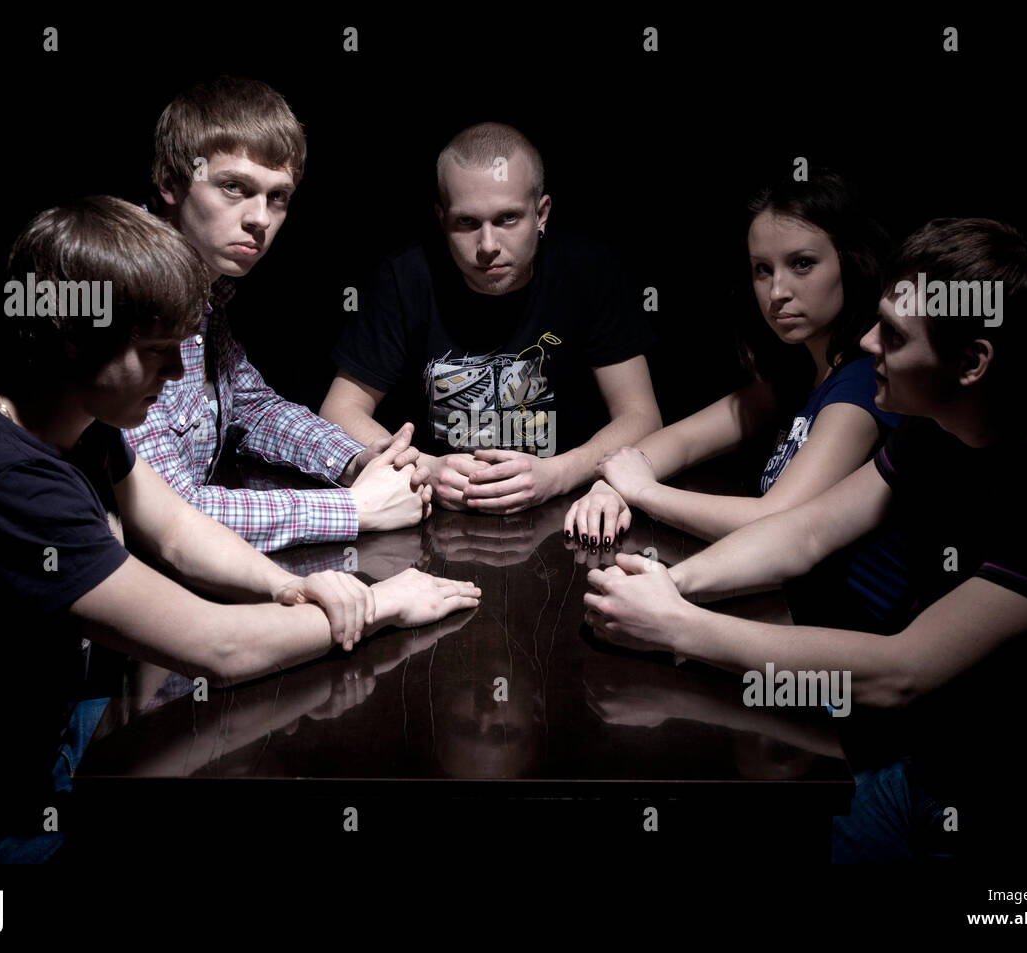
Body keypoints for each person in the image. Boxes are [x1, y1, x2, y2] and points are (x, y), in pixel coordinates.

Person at [0, 197, 480, 863]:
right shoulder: (4, 478)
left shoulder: (62, 402)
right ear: (73, 338)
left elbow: (174, 530)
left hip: (44, 747)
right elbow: (216, 646)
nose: (175, 373)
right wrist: (384, 603)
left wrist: (296, 589)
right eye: (157, 352)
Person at [583, 217, 1027, 860]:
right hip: (906, 759)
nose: (865, 341)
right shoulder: (937, 416)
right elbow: (807, 530)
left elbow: (905, 671)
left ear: (972, 362)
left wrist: (677, 627)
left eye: (893, 333)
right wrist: (671, 585)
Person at [566, 170, 908, 632]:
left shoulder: (866, 382)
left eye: (803, 263)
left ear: (851, 262)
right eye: (762, 270)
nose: (778, 291)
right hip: (784, 608)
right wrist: (614, 479)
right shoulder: (796, 374)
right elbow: (685, 439)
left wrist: (642, 490)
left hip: (845, 631)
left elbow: (776, 519)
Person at [123, 76, 431, 553]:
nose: (260, 219)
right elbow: (172, 513)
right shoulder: (128, 293)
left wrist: (356, 460)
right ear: (169, 182)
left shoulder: (207, 291)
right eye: (233, 188)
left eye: (278, 196)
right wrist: (356, 509)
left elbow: (252, 407)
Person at [320, 121, 663, 516]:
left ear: (542, 213)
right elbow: (339, 410)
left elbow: (641, 414)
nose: (487, 247)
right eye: (466, 223)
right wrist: (422, 467)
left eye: (507, 219)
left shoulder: (588, 271)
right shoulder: (406, 277)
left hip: (569, 510)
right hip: (432, 513)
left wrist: (560, 473)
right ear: (441, 218)